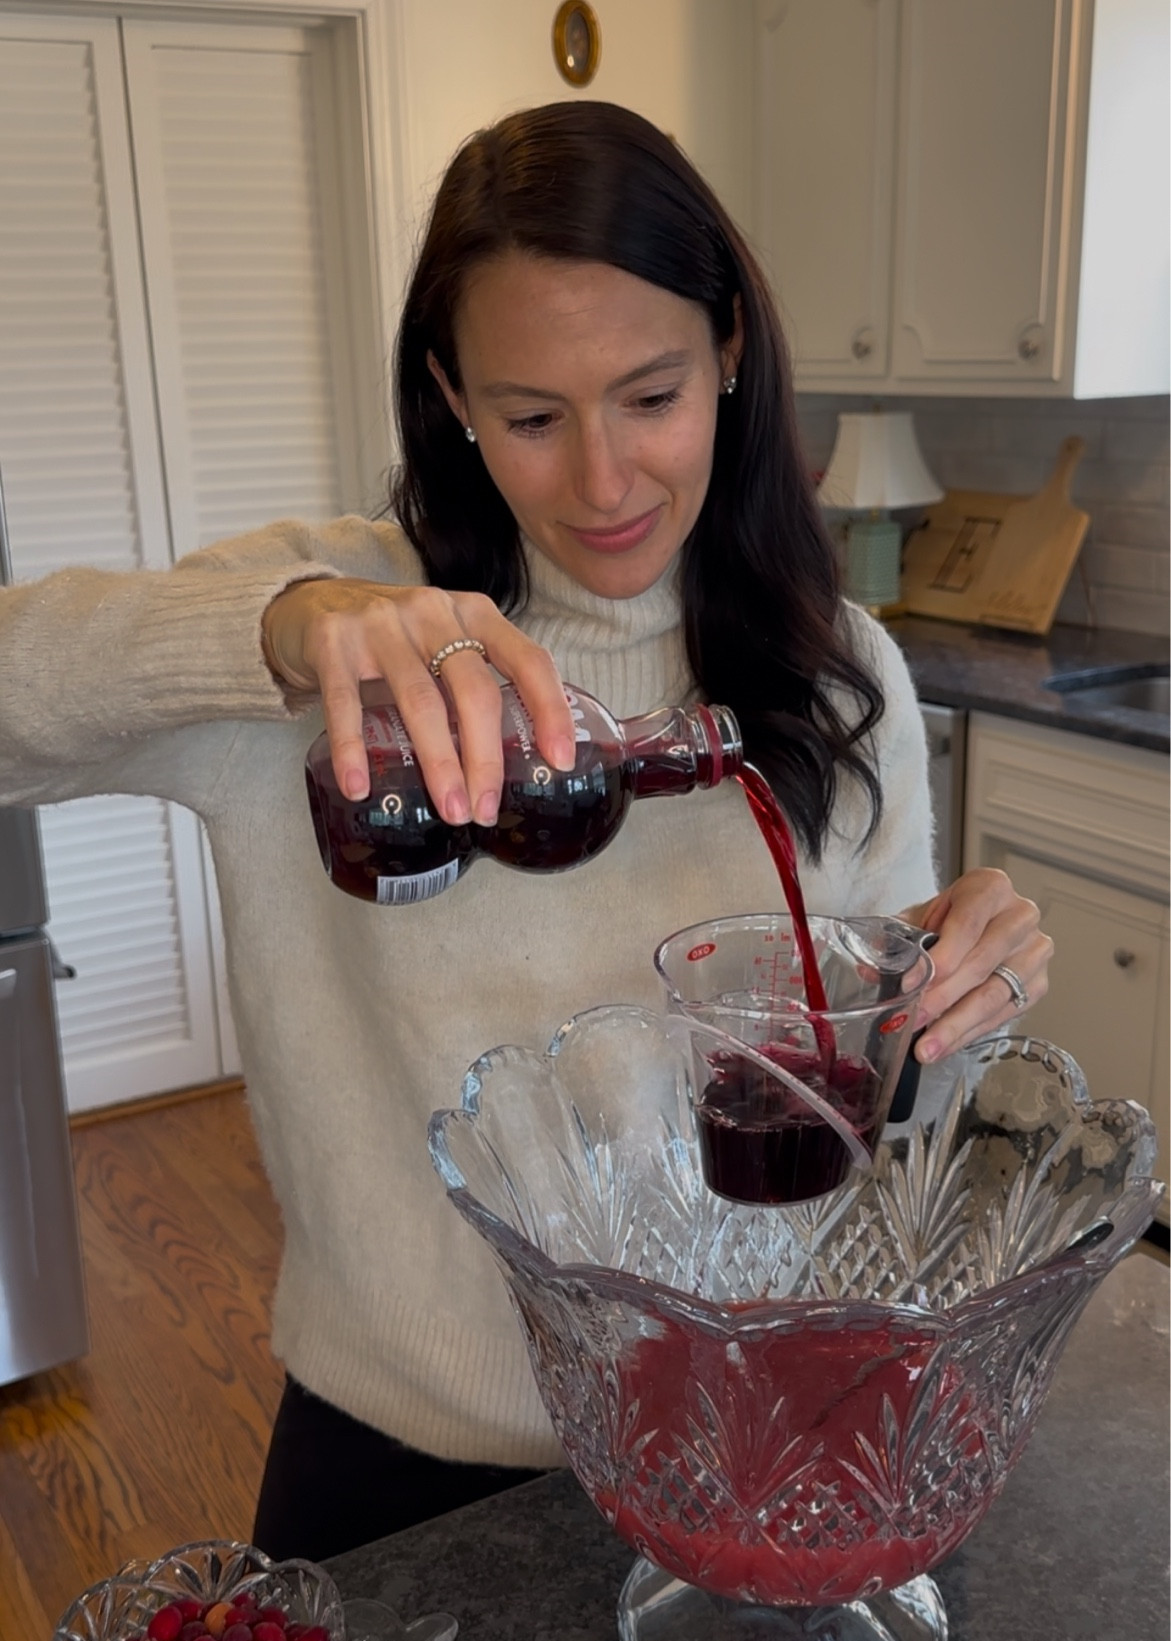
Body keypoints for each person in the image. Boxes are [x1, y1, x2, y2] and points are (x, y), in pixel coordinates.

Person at [0, 101, 1051, 1561]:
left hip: (743, 1431)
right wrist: (273, 634)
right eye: (533, 418)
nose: (604, 483)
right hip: (402, 1461)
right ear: (450, 396)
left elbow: (881, 1099)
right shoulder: (336, 639)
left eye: (651, 396)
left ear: (730, 351)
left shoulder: (840, 668)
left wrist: (957, 988)